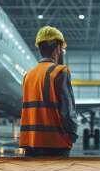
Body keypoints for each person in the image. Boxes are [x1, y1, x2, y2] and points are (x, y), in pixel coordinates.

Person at [19, 26, 78, 157]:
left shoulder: (28, 75)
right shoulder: (60, 72)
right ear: (57, 49)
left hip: (31, 143)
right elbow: (68, 111)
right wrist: (72, 134)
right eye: (62, 49)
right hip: (55, 145)